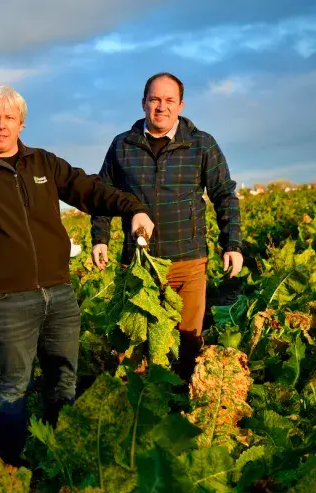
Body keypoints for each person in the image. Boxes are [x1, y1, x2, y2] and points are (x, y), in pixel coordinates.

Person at [0, 85, 154, 466]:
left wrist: (132, 207)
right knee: (15, 386)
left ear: (21, 123)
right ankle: (10, 473)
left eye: (9, 118)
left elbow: (89, 189)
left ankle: (58, 461)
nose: (1, 126)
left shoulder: (43, 163)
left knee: (64, 380)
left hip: (59, 293)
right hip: (5, 301)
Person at [90, 72, 243, 382]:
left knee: (188, 342)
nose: (162, 107)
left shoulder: (201, 144)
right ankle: (137, 408)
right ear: (144, 103)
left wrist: (233, 244)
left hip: (187, 261)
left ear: (181, 105)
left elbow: (224, 195)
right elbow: (103, 195)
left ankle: (184, 406)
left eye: (169, 100)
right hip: (139, 265)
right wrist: (100, 238)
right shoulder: (122, 146)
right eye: (155, 99)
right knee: (133, 344)